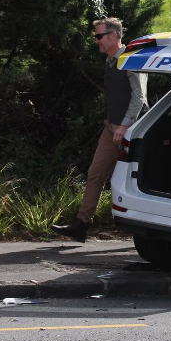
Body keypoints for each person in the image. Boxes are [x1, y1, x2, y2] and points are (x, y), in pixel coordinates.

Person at [51, 17, 148, 242]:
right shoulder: (110, 61)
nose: (96, 41)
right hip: (111, 128)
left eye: (99, 36)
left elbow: (139, 97)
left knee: (136, 180)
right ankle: (82, 225)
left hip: (131, 132)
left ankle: (147, 230)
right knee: (95, 175)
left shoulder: (130, 61)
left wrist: (125, 125)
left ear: (114, 36)